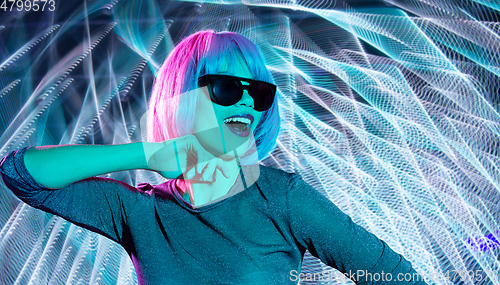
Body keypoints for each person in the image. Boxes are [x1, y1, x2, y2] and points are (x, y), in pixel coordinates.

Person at [0, 30, 427, 284]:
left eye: (257, 91)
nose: (246, 102)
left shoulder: (283, 199)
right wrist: (151, 153)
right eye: (226, 87)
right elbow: (23, 174)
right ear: (182, 96)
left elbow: (394, 276)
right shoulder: (143, 211)